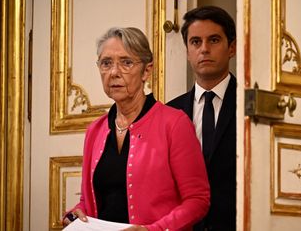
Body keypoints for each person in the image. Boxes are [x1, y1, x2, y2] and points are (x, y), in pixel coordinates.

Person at [63, 27, 210, 231]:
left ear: (146, 71)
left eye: (126, 62)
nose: (114, 73)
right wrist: (77, 212)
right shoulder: (94, 130)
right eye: (106, 63)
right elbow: (89, 202)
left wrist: (153, 230)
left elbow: (198, 200)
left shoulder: (174, 123)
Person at [167, 6, 236, 231]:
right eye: (196, 42)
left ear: (232, 47)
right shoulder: (170, 112)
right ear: (187, 51)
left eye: (214, 40)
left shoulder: (251, 106)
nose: (204, 49)